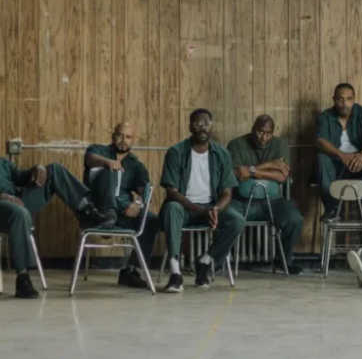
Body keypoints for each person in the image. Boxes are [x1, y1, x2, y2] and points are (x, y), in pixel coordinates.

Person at [160, 108, 246, 293]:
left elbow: (227, 193)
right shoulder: (176, 152)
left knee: (237, 220)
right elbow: (172, 192)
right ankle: (175, 272)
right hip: (184, 207)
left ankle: (205, 261)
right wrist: (200, 210)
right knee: (172, 208)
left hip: (210, 207)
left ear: (211, 127)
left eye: (206, 123)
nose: (202, 127)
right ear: (190, 126)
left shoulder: (222, 154)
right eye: (198, 123)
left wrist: (215, 209)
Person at [0, 158, 107, 298]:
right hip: (6, 206)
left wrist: (36, 169)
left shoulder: (2, 162)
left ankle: (87, 212)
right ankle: (23, 278)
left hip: (17, 201)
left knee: (54, 170)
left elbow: (20, 176)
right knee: (19, 213)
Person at [83, 122, 161, 289]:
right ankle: (107, 215)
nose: (123, 140)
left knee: (151, 220)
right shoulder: (98, 151)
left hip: (122, 212)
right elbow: (90, 159)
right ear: (113, 136)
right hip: (96, 210)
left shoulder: (136, 165)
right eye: (120, 135)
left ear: (134, 140)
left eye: (128, 137)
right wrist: (107, 162)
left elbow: (146, 190)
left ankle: (131, 271)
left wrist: (138, 204)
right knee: (112, 169)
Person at [227, 115, 304, 275]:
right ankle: (220, 261)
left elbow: (281, 176)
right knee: (224, 215)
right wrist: (270, 165)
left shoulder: (279, 144)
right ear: (253, 129)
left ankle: (283, 260)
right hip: (241, 201)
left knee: (295, 218)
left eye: (268, 133)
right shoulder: (236, 144)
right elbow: (238, 175)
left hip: (274, 201)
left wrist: (252, 170)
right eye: (260, 132)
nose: (264, 137)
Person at [315, 83, 362, 219]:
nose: (344, 103)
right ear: (334, 99)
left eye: (348, 99)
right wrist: (341, 156)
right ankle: (332, 209)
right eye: (340, 99)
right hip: (336, 166)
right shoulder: (325, 117)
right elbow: (320, 141)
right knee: (321, 157)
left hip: (361, 166)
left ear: (353, 99)